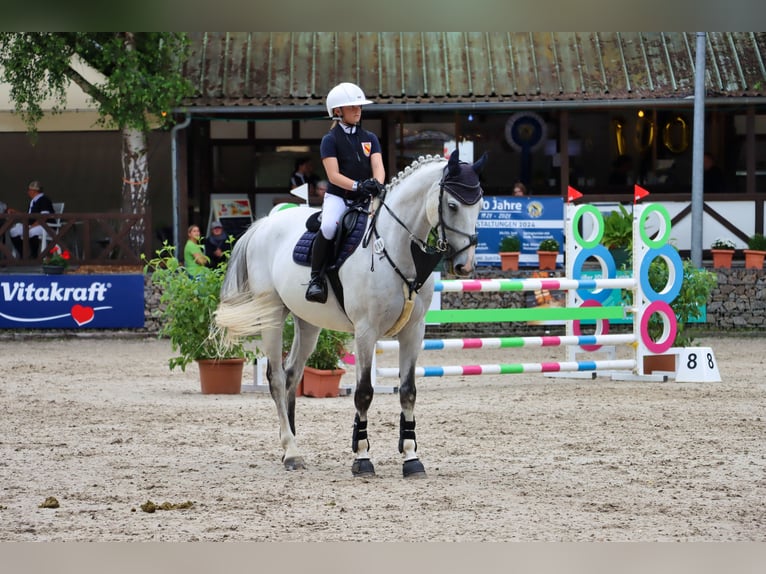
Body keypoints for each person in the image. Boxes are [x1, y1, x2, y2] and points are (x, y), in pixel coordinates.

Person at [305, 82, 385, 303]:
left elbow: (378, 166)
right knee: (329, 226)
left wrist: (376, 184)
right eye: (352, 107)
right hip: (339, 197)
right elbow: (333, 176)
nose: (358, 110)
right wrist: (359, 186)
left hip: (366, 198)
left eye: (359, 106)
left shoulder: (370, 138)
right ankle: (316, 279)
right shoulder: (330, 140)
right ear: (337, 111)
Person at [8, 180, 55, 258]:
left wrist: (32, 226)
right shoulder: (33, 201)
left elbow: (44, 217)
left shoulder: (44, 200)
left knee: (31, 232)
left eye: (29, 190)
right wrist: (16, 212)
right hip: (31, 225)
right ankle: (23, 254)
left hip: (46, 226)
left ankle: (34, 255)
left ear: (34, 191)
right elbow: (28, 216)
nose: (28, 192)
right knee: (14, 231)